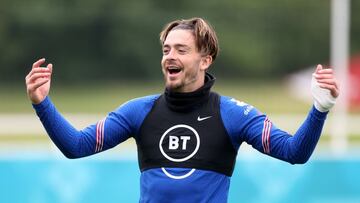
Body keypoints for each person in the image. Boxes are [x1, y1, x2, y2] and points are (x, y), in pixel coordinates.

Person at [25, 17, 339, 203]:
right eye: (166, 50)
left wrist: (320, 107)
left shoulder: (233, 114)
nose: (169, 56)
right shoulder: (139, 111)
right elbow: (76, 146)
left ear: (205, 60)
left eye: (181, 49)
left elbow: (294, 151)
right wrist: (42, 103)